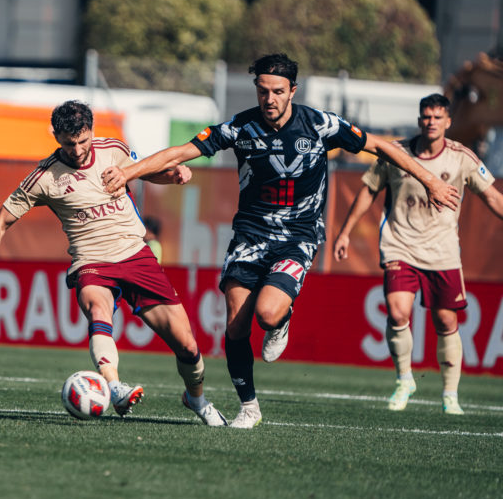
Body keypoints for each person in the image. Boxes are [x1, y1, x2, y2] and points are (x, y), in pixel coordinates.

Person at [101, 53, 459, 428]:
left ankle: (280, 322)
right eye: (262, 91)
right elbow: (182, 151)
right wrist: (130, 171)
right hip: (250, 236)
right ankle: (249, 407)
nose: (268, 99)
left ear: (292, 91)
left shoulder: (320, 124)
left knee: (267, 313)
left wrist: (431, 181)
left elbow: (383, 147)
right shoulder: (240, 128)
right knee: (237, 326)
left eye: (277, 91)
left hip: (297, 238)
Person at [0, 100, 227, 426]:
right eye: (68, 142)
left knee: (187, 347)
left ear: (92, 130)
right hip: (91, 262)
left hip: (136, 255)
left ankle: (197, 399)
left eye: (83, 140)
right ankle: (114, 386)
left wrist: (171, 176)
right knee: (97, 308)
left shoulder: (113, 148)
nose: (76, 150)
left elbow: (144, 171)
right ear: (56, 135)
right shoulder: (44, 177)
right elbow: (0, 222)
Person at [333, 93, 503, 415]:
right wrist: (344, 232)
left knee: (445, 320)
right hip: (400, 244)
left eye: (438, 117)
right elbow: (369, 190)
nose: (431, 122)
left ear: (448, 122)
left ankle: (450, 395)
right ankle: (404, 380)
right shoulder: (394, 153)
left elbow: (493, 197)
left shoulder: (461, 158)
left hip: (442, 250)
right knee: (398, 312)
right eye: (426, 116)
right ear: (419, 119)